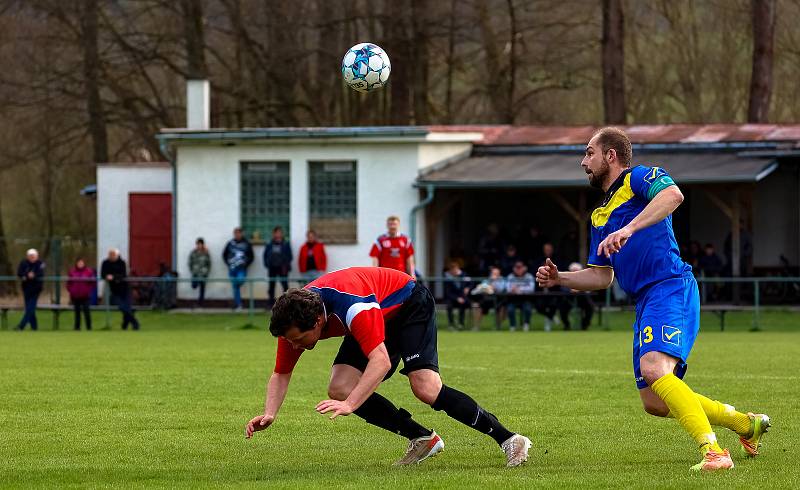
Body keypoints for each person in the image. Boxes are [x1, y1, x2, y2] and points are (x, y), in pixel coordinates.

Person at [536, 127, 770, 472]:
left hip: (670, 286)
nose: (583, 161)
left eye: (589, 153)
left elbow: (673, 196)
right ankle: (743, 424)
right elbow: (602, 276)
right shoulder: (599, 216)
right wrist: (561, 279)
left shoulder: (640, 177)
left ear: (610, 156)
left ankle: (714, 453)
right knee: (655, 402)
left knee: (654, 369)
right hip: (646, 300)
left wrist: (630, 228)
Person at [244, 267, 531, 467]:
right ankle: (423, 439)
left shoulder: (353, 307)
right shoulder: (291, 322)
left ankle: (510, 439)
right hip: (378, 310)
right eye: (290, 341)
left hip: (408, 304)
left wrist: (352, 405)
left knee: (425, 387)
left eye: (298, 340)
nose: (294, 346)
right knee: (340, 387)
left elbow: (379, 361)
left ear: (317, 322)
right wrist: (270, 413)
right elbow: (281, 373)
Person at [100, 248, 140, 330]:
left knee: (126, 307)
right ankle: (135, 322)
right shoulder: (105, 263)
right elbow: (103, 274)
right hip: (114, 290)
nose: (111, 256)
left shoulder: (122, 263)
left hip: (125, 288)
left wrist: (113, 277)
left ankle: (125, 325)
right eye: (110, 255)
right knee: (122, 306)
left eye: (113, 255)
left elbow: (123, 275)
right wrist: (107, 276)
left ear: (117, 255)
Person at [222, 227, 254, 310]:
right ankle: (238, 304)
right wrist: (228, 263)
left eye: (239, 233)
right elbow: (224, 254)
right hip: (232, 269)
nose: (237, 235)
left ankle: (237, 304)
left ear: (241, 234)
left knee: (239, 281)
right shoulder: (230, 243)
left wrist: (246, 264)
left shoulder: (246, 243)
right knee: (235, 287)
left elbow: (251, 256)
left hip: (241, 269)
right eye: (236, 233)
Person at [16, 249, 44, 331]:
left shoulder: (40, 264)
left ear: (37, 256)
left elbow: (40, 273)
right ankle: (34, 327)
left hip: (36, 289)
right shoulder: (23, 263)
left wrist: (33, 275)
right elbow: (19, 273)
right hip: (26, 288)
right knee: (30, 308)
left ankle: (21, 326)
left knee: (30, 308)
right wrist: (26, 275)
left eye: (33, 256)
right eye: (30, 256)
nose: (32, 257)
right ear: (27, 256)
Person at [470, 266, 506, 330]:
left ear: (499, 274)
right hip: (486, 299)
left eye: (496, 273)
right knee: (477, 306)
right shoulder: (487, 280)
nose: (494, 275)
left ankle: (497, 326)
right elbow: (480, 288)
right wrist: (489, 285)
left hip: (498, 299)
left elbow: (501, 289)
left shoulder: (502, 280)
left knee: (502, 308)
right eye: (493, 273)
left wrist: (493, 285)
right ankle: (476, 326)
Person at [264, 226, 292, 304]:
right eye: (276, 233)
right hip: (272, 268)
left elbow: (289, 256)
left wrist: (286, 265)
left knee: (285, 286)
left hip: (282, 268)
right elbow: (265, 255)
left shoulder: (286, 243)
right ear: (274, 234)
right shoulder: (269, 244)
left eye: (280, 232)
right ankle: (271, 304)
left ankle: (287, 303)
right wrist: (267, 264)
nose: (278, 234)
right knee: (271, 286)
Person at [66, 258, 95, 331]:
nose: (80, 264)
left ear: (84, 263)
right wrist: (71, 291)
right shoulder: (72, 272)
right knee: (77, 312)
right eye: (79, 263)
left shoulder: (89, 271)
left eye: (81, 263)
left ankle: (89, 327)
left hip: (85, 295)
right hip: (75, 295)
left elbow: (93, 283)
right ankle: (77, 327)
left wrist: (88, 291)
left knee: (87, 311)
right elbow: (68, 283)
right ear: (76, 263)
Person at [505, 261, 534, 332]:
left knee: (528, 309)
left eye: (520, 267)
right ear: (514, 268)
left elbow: (531, 289)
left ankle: (526, 324)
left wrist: (519, 289)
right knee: (510, 310)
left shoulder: (529, 276)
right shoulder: (510, 276)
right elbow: (508, 289)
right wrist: (518, 289)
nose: (518, 269)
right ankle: (512, 326)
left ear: (524, 268)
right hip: (513, 299)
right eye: (517, 267)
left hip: (525, 299)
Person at [443, 261, 470, 330]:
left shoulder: (464, 275)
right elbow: (448, 292)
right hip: (452, 298)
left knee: (463, 304)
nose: (454, 271)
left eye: (456, 269)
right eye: (453, 270)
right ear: (450, 271)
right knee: (449, 305)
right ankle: (451, 324)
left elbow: (471, 283)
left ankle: (461, 324)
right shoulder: (447, 277)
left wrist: (468, 288)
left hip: (463, 297)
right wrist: (457, 298)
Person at [189, 238, 210, 306]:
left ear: (203, 245)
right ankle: (196, 283)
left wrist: (207, 272)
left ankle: (201, 302)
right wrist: (192, 270)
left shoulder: (206, 253)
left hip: (203, 273)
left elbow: (209, 263)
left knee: (202, 288)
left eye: (200, 244)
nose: (199, 246)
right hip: (195, 273)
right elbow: (190, 262)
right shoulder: (193, 252)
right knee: (194, 285)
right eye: (198, 244)